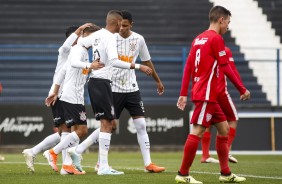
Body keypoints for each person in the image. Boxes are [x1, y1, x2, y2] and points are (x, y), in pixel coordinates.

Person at [68, 10, 165, 173]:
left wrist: (86, 61)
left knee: (136, 124)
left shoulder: (129, 38)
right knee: (108, 125)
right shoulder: (110, 37)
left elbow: (80, 44)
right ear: (117, 22)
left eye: (125, 25)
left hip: (127, 87)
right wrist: (138, 66)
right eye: (121, 24)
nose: (122, 28)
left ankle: (146, 163)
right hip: (110, 85)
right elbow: (113, 61)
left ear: (130, 24)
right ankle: (94, 160)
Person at [175, 6, 250, 183]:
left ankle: (225, 174)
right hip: (206, 93)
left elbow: (188, 68)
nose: (228, 27)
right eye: (228, 23)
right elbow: (226, 67)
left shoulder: (198, 39)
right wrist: (241, 88)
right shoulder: (216, 39)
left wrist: (183, 93)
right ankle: (183, 174)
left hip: (209, 94)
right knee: (198, 131)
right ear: (221, 20)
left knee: (224, 130)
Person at [22, 23, 92, 172]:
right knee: (68, 131)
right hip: (60, 95)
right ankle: (66, 166)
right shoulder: (66, 52)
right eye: (80, 35)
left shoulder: (79, 52)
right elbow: (65, 48)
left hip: (63, 94)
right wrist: (78, 32)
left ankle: (37, 152)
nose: (83, 38)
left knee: (64, 132)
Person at [44, 24, 103, 175]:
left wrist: (55, 92)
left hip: (73, 95)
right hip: (72, 97)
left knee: (74, 131)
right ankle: (53, 152)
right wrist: (91, 65)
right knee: (82, 130)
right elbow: (74, 64)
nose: (95, 41)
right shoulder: (77, 49)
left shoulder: (81, 50)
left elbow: (63, 72)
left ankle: (66, 166)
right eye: (93, 38)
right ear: (86, 35)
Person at [201, 46, 241, 164]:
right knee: (233, 119)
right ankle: (226, 151)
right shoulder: (225, 50)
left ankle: (205, 155)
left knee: (208, 123)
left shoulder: (203, 47)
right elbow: (231, 70)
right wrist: (242, 89)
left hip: (206, 91)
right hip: (220, 91)